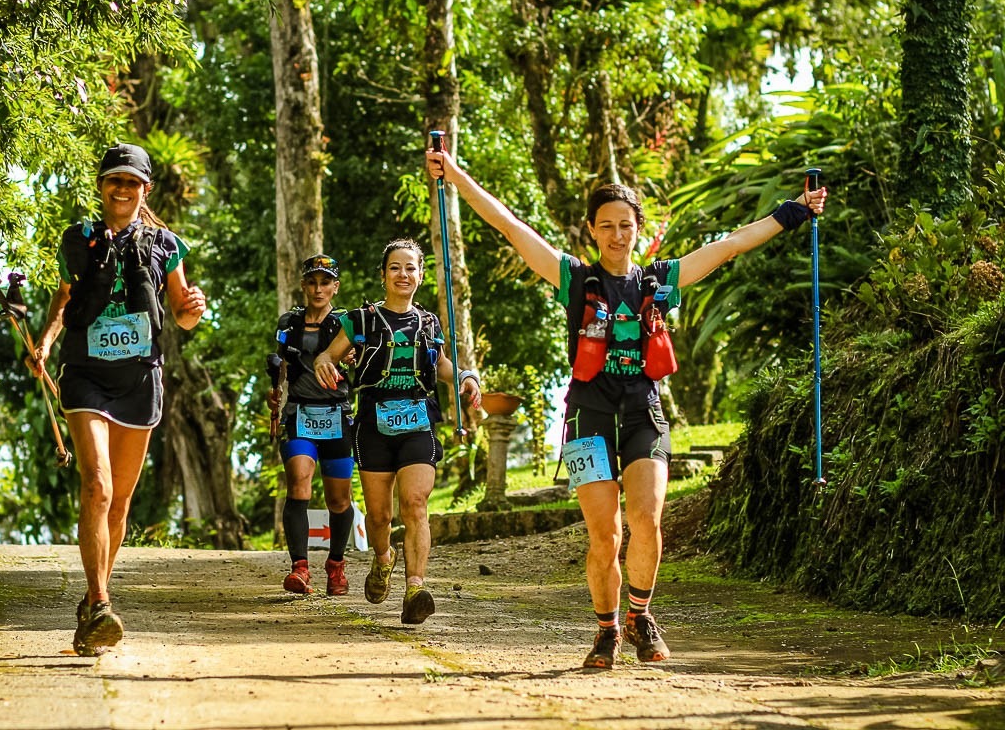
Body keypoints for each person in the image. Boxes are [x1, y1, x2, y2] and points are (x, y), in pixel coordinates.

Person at [426, 148, 825, 668]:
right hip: (587, 416)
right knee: (605, 533)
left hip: (643, 410)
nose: (617, 235)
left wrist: (795, 209)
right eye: (607, 226)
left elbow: (729, 246)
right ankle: (607, 630)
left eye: (626, 225)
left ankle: (641, 616)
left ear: (638, 228)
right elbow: (510, 226)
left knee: (646, 517)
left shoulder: (659, 281)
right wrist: (455, 174)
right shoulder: (574, 279)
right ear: (591, 231)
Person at [30, 143, 207, 656]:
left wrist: (194, 307)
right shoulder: (78, 240)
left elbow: (182, 315)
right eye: (114, 180)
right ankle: (104, 601)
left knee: (121, 500)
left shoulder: (165, 244)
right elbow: (63, 301)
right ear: (102, 186)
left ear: (145, 189)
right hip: (85, 375)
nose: (123, 189)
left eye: (132, 181)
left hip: (139, 379)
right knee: (98, 487)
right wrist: (43, 342)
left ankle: (90, 608)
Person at [313, 238, 481, 625]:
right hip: (374, 423)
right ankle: (383, 558)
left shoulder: (429, 322)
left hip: (419, 420)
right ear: (384, 274)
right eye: (395, 268)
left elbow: (440, 365)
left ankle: (415, 587)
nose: (403, 274)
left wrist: (465, 376)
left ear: (420, 275)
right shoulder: (361, 320)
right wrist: (324, 363)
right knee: (378, 516)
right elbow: (329, 354)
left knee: (416, 504)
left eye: (411, 268)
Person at [271, 254, 357, 596]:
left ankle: (335, 566)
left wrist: (354, 357)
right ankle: (300, 568)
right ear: (303, 285)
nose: (318, 288)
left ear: (335, 287)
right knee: (299, 483)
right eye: (312, 282)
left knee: (339, 500)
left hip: (337, 415)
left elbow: (363, 363)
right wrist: (273, 394)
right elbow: (279, 365)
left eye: (325, 282)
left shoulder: (348, 324)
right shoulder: (289, 323)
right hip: (299, 415)